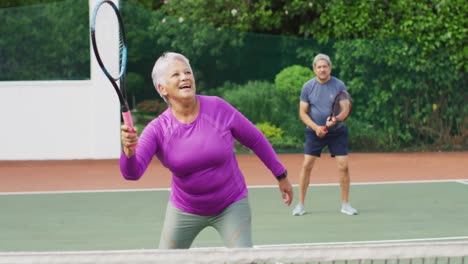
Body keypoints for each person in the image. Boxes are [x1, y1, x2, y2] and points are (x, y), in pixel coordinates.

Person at [120, 52, 293, 249]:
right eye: (175, 75)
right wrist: (128, 151)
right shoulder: (157, 129)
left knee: (245, 260)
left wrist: (281, 174)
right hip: (184, 209)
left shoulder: (218, 107)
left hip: (231, 203)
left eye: (187, 72)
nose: (185, 77)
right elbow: (132, 173)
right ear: (162, 88)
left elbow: (255, 139)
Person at [292, 53, 357, 216]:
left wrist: (335, 119)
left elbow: (345, 109)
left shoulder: (338, 84)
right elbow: (303, 113)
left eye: (325, 66)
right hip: (314, 132)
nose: (322, 69)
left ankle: (345, 204)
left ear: (330, 68)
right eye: (319, 67)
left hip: (337, 132)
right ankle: (300, 205)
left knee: (344, 166)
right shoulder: (307, 87)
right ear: (314, 69)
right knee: (307, 165)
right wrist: (316, 128)